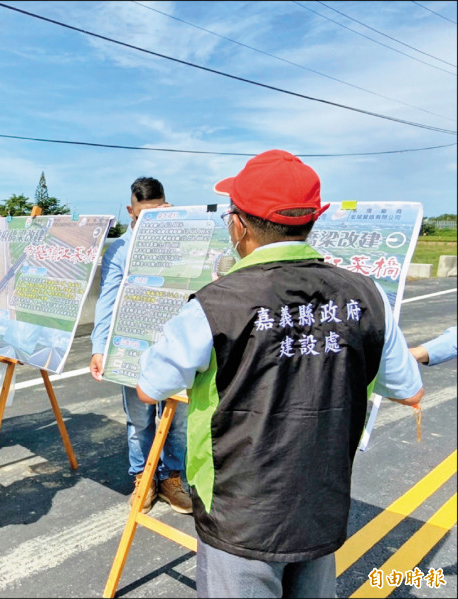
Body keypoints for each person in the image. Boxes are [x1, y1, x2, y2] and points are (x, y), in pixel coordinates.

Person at [135, 150, 424, 598]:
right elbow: (407, 387)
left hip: (240, 511)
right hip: (320, 502)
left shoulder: (215, 303)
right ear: (312, 220)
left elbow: (149, 388)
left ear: (239, 226)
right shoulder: (366, 296)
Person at [89, 177, 193, 515]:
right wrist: (99, 346)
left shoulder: (183, 242)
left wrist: (181, 227)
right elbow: (107, 300)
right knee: (139, 419)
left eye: (157, 214)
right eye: (142, 216)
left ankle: (171, 478)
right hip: (132, 347)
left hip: (176, 346)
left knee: (178, 419)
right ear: (131, 211)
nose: (149, 223)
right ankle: (143, 478)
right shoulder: (119, 248)